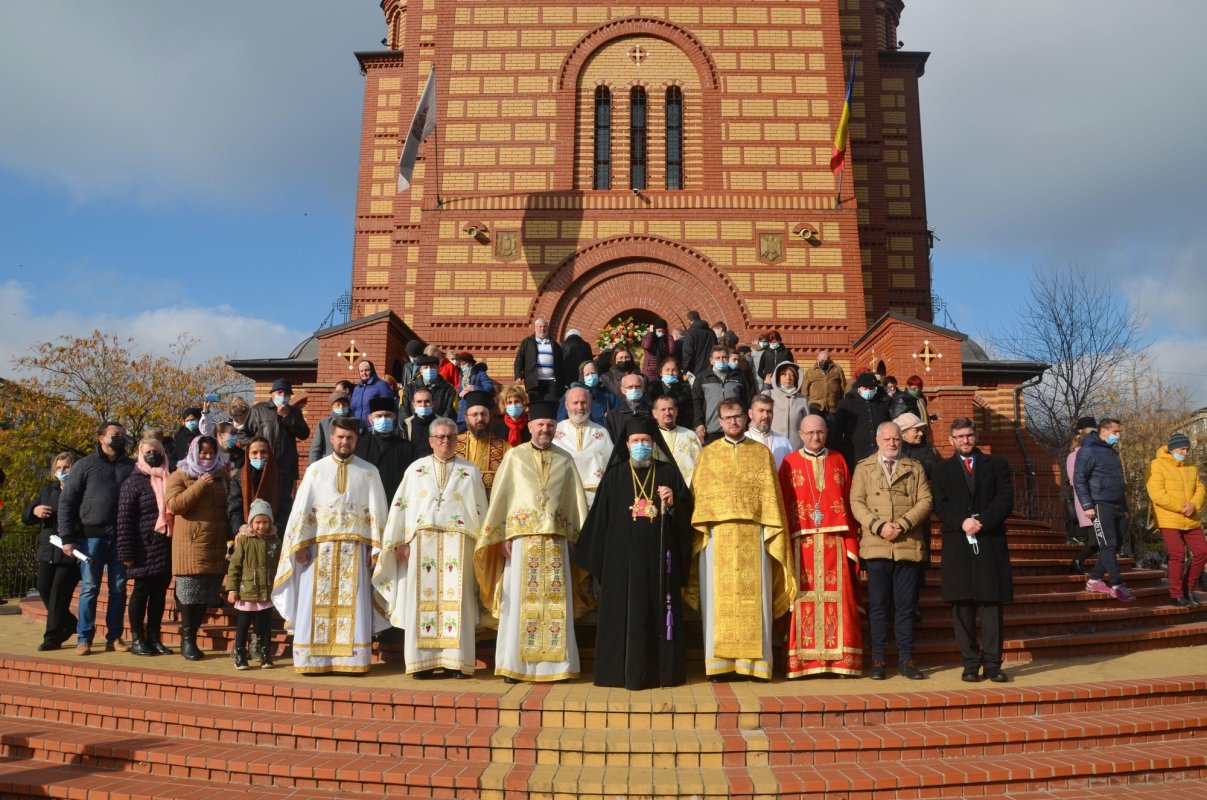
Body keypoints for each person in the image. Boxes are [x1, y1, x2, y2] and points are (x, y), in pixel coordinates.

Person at [474, 401, 589, 683]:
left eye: (550, 425)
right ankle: (515, 667)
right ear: (530, 426)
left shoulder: (565, 459)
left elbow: (574, 502)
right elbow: (502, 499)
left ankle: (556, 667)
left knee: (555, 604)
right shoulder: (514, 457)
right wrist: (501, 537)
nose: (545, 429)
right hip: (521, 543)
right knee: (518, 605)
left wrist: (574, 537)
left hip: (556, 542)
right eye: (540, 425)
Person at [575, 416, 693, 689]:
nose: (641, 445)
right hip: (621, 564)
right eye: (636, 441)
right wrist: (597, 560)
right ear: (627, 445)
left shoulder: (668, 473)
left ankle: (662, 673)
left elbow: (687, 515)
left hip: (659, 561)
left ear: (654, 443)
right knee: (621, 614)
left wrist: (673, 504)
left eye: (646, 441)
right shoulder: (615, 475)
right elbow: (599, 520)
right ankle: (616, 673)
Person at [686, 398, 795, 681]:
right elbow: (698, 497)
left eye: (737, 416)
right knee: (717, 600)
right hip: (717, 536)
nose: (733, 421)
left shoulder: (761, 454)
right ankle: (719, 666)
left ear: (746, 418)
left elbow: (772, 500)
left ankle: (754, 666)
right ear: (720, 421)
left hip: (753, 534)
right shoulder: (708, 454)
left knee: (755, 598)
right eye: (727, 417)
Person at [272, 416, 391, 674]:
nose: (345, 441)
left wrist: (375, 549)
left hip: (355, 550)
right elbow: (301, 511)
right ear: (331, 438)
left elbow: (379, 514)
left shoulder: (369, 472)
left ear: (356, 439)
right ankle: (313, 660)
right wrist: (298, 546)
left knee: (354, 602)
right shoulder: (315, 470)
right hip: (317, 551)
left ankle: (352, 661)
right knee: (313, 602)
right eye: (340, 437)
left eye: (350, 437)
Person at [375, 417, 488, 678]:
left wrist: (481, 547)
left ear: (457, 440)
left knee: (458, 601)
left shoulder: (470, 471)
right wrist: (400, 542)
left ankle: (456, 663)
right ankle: (422, 664)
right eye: (440, 437)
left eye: (450, 437)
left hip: (460, 544)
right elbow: (401, 507)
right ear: (431, 441)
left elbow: (481, 509)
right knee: (420, 601)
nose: (446, 441)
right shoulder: (416, 470)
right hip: (420, 545)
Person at [778, 415, 861, 678]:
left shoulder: (838, 460)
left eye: (820, 432)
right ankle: (804, 664)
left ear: (826, 433)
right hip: (801, 543)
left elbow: (848, 500)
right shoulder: (789, 462)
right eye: (810, 433)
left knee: (839, 599)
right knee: (803, 599)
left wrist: (851, 539)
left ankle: (842, 662)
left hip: (835, 543)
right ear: (800, 434)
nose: (816, 437)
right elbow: (782, 503)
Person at [932, 418, 1014, 682]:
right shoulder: (941, 470)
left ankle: (993, 664)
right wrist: (962, 522)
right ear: (951, 440)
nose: (965, 440)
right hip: (958, 543)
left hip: (989, 541)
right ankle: (970, 663)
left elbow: (1005, 500)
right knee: (962, 605)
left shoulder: (997, 465)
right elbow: (940, 504)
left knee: (991, 605)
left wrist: (982, 522)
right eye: (959, 436)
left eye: (968, 435)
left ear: (975, 436)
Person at [849, 421, 933, 680]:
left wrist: (903, 524)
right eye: (887, 439)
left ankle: (906, 659)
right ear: (877, 441)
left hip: (907, 545)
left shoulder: (915, 467)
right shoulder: (863, 467)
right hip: (877, 547)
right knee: (878, 607)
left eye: (896, 438)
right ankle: (878, 659)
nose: (892, 443)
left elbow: (926, 500)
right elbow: (856, 502)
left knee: (905, 607)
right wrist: (879, 526)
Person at [57, 421, 135, 655]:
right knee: (90, 588)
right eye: (115, 434)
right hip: (90, 539)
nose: (120, 438)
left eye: (122, 434)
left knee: (119, 589)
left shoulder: (131, 466)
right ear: (101, 438)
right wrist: (67, 536)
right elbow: (67, 501)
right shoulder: (85, 465)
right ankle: (85, 638)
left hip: (121, 538)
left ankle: (115, 637)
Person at [166, 435, 232, 661]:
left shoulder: (222, 476)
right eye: (203, 452)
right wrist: (200, 485)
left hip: (215, 544)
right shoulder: (180, 474)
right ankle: (187, 639)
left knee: (205, 594)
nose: (207, 457)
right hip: (190, 545)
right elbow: (174, 505)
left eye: (211, 453)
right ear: (194, 452)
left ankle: (192, 636)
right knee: (189, 595)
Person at [116, 437, 175, 657]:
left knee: (159, 594)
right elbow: (124, 520)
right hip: (143, 547)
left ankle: (154, 637)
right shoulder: (133, 482)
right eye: (148, 451)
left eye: (156, 451)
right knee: (141, 592)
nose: (153, 455)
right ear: (140, 455)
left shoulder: (170, 477)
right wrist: (126, 552)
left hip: (165, 545)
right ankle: (137, 638)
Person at [1073, 418, 1136, 602]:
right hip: (1100, 504)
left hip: (1118, 505)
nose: (1119, 435)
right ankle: (1118, 585)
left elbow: (1118, 482)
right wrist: (1087, 506)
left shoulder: (1112, 452)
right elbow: (1079, 479)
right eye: (1116, 432)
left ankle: (1094, 580)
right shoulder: (1088, 451)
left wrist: (1125, 507)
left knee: (1115, 544)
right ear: (1103, 431)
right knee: (1108, 544)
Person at [24, 453, 79, 651]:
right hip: (48, 550)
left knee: (58, 594)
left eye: (66, 467)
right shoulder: (48, 489)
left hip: (69, 552)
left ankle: (52, 637)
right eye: (58, 468)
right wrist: (34, 511)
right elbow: (26, 515)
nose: (61, 471)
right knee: (44, 587)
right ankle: (70, 622)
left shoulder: (80, 489)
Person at [1146, 432, 1206, 607]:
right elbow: (1157, 494)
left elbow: (1200, 489)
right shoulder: (1157, 465)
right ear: (1172, 449)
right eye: (1182, 449)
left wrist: (1194, 505)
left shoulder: (1191, 466)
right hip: (1169, 518)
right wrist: (1181, 507)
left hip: (1191, 517)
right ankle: (1176, 594)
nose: (1185, 452)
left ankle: (1188, 587)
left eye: (1187, 449)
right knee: (1177, 554)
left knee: (1203, 552)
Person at [244, 378, 310, 525]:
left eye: (286, 393)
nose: (283, 396)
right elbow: (244, 435)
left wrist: (288, 416)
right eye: (279, 392)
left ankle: (280, 533)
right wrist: (254, 452)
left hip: (285, 468)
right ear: (272, 393)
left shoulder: (294, 411)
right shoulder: (258, 410)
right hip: (262, 467)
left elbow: (304, 434)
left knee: (283, 505)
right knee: (261, 502)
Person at [226, 499, 282, 669]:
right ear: (251, 523)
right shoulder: (244, 540)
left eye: (265, 522)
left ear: (270, 522)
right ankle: (240, 654)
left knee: (265, 625)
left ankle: (266, 653)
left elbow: (281, 563)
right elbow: (235, 565)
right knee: (243, 626)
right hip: (246, 591)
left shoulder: (275, 541)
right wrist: (232, 589)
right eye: (258, 522)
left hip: (266, 591)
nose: (261, 526)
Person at [554, 386, 614, 508]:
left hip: (595, 496)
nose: (580, 407)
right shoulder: (555, 431)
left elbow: (611, 465)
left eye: (583, 402)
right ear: (566, 405)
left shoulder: (601, 432)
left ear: (590, 405)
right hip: (564, 492)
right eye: (575, 403)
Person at [356, 396, 418, 499]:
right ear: (370, 419)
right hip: (367, 498)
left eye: (388, 415)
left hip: (396, 499)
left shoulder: (407, 447)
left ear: (394, 417)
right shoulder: (359, 445)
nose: (383, 419)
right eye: (379, 416)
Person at [455, 390, 511, 497]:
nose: (480, 418)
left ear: (490, 416)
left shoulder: (506, 448)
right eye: (475, 414)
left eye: (484, 414)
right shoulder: (453, 444)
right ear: (466, 418)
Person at [833, 372, 890, 470]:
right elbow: (837, 432)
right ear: (858, 388)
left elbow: (888, 426)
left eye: (871, 388)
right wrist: (837, 454)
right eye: (865, 388)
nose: (868, 391)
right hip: (854, 457)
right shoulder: (846, 404)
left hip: (879, 456)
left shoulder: (881, 405)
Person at [692, 346, 749, 444]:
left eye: (724, 357)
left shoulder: (738, 376)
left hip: (735, 427)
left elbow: (746, 400)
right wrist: (698, 423)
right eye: (717, 358)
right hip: (712, 429)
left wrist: (747, 422)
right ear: (711, 360)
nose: (721, 360)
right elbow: (696, 402)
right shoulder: (702, 378)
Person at [1067, 416, 1100, 573]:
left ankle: (1084, 564)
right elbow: (1075, 480)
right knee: (1096, 540)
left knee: (1101, 539)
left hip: (1098, 501)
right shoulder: (1074, 456)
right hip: (1087, 503)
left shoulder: (1097, 452)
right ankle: (1077, 562)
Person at [651, 394, 703, 485]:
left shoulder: (690, 435)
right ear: (654, 413)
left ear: (676, 411)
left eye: (670, 409)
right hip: (660, 487)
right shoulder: (650, 437)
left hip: (688, 487)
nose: (667, 413)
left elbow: (701, 463)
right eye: (663, 409)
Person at [514, 317, 563, 403]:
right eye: (540, 326)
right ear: (535, 328)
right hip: (533, 383)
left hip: (551, 382)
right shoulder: (527, 342)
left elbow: (560, 363)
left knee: (551, 406)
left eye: (545, 326)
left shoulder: (554, 344)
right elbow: (519, 360)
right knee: (535, 406)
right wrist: (518, 375)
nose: (543, 329)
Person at [310, 389, 364, 464]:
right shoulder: (323, 424)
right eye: (338, 405)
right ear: (332, 407)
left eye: (344, 404)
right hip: (328, 465)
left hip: (354, 465)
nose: (341, 407)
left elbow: (365, 447)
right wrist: (312, 466)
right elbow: (316, 448)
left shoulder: (359, 424)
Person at [557, 360, 617, 425]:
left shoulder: (606, 392)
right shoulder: (572, 394)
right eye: (587, 374)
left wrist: (610, 415)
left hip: (603, 429)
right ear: (582, 377)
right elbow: (561, 419)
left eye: (593, 373)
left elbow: (618, 409)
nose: (591, 376)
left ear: (597, 373)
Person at [646, 355, 696, 430]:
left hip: (680, 427)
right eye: (667, 370)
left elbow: (689, 412)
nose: (670, 373)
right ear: (661, 372)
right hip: (656, 428)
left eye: (674, 370)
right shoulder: (653, 388)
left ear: (678, 373)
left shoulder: (685, 389)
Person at [746, 394, 793, 469]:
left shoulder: (784, 443)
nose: (766, 416)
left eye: (769, 411)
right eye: (761, 411)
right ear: (750, 414)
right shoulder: (741, 441)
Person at [604, 372, 652, 445]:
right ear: (622, 390)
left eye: (638, 386)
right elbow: (609, 442)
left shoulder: (652, 412)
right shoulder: (612, 416)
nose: (634, 389)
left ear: (643, 388)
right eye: (630, 387)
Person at [769, 362, 808, 450]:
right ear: (778, 377)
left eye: (792, 375)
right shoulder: (769, 395)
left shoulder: (802, 399)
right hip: (774, 444)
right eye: (784, 374)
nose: (788, 377)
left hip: (796, 446)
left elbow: (806, 425)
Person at [349, 360, 397, 425]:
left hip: (373, 427)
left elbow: (389, 408)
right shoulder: (357, 388)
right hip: (357, 427)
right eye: (361, 371)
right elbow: (352, 408)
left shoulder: (382, 385)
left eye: (366, 370)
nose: (364, 373)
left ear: (372, 370)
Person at [455, 352, 495, 425]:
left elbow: (490, 388)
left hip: (476, 410)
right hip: (462, 414)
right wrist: (459, 394)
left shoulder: (480, 374)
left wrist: (474, 388)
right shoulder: (462, 376)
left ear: (470, 363)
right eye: (460, 365)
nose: (462, 366)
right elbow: (460, 393)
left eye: (464, 364)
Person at [803, 349, 847, 416]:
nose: (824, 362)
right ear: (817, 360)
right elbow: (804, 390)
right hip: (815, 406)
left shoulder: (837, 370)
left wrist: (842, 402)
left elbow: (843, 386)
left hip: (832, 407)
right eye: (821, 360)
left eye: (826, 360)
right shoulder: (810, 371)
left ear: (829, 360)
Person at [896, 412, 940, 478]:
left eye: (921, 429)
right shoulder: (892, 450)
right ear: (902, 433)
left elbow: (934, 472)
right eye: (916, 430)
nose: (921, 433)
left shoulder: (926, 451)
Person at [403, 385, 437, 456]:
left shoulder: (443, 423)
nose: (423, 405)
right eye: (419, 402)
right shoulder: (406, 424)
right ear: (413, 405)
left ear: (433, 403)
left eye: (427, 401)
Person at [640, 319, 671, 384]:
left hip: (661, 369)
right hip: (649, 370)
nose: (661, 333)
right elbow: (646, 346)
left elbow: (671, 350)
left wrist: (669, 336)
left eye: (663, 331)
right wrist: (651, 333)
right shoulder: (648, 337)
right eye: (659, 331)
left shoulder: (665, 339)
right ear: (655, 330)